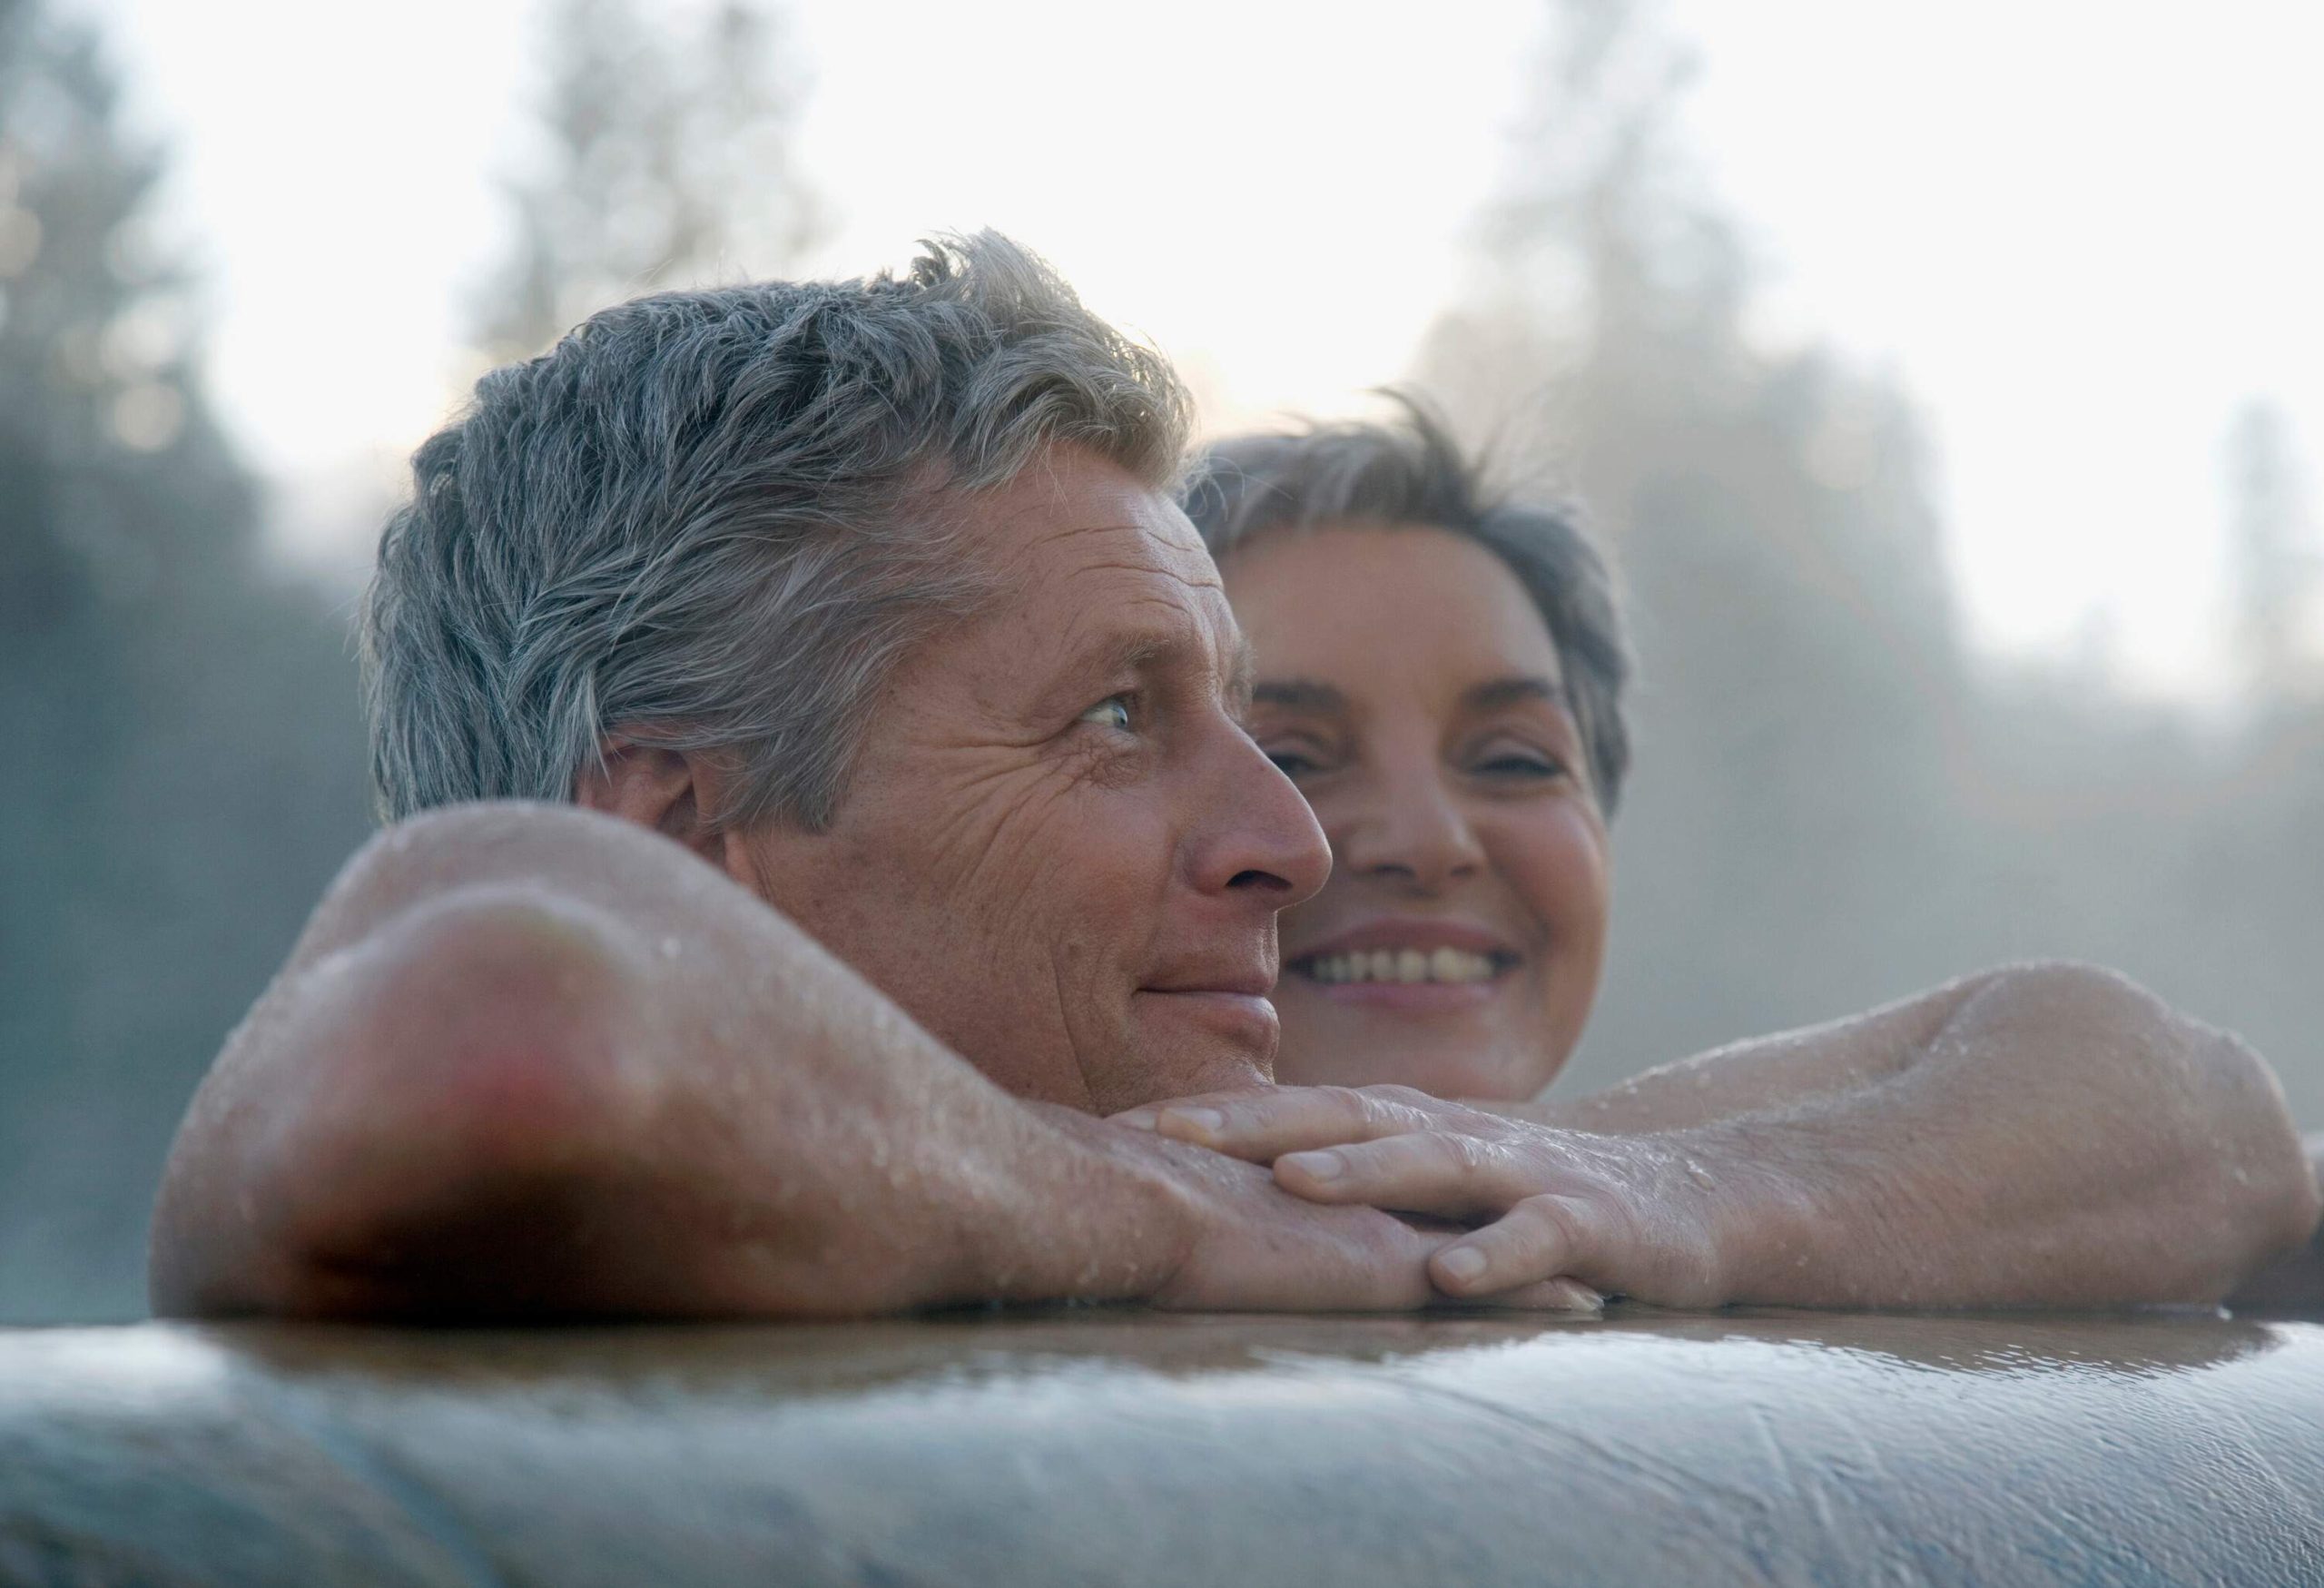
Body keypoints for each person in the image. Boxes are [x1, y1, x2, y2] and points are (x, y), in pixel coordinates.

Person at [147, 237, 2319, 1322]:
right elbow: (494, 1016)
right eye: (1121, 717)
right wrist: (1183, 1220)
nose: (1290, 844)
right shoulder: (533, 1197)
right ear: (681, 834)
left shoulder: (1377, 1195)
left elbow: (2163, 1089)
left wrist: (1701, 1196)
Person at [1123, 403, 2324, 1309]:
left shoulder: (1660, 1175)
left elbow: (2207, 1116)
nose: (1429, 842)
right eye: (1289, 751)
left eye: (1512, 759)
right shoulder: (1009, 1188)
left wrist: (1668, 1189)